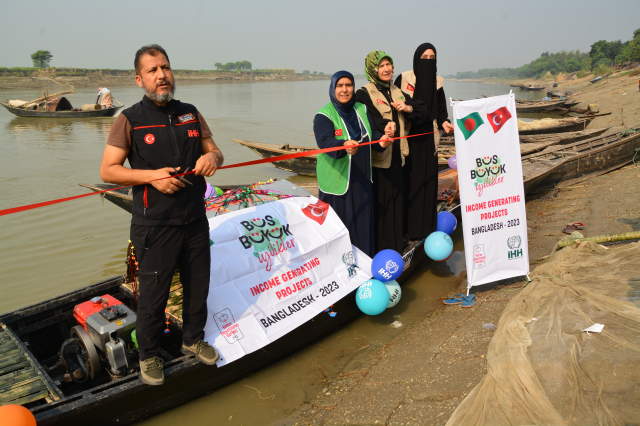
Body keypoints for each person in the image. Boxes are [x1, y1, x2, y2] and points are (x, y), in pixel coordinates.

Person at [100, 44, 224, 386]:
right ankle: (149, 355)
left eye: (165, 68)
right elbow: (109, 170)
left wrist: (213, 158)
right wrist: (151, 176)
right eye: (153, 70)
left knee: (198, 286)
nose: (161, 75)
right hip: (154, 225)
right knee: (154, 295)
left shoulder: (191, 113)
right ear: (140, 79)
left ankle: (192, 339)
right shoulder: (129, 120)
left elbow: (215, 150)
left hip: (195, 219)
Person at [314, 71, 391, 257]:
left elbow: (372, 134)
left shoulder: (362, 109)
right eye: (339, 86)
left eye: (348, 85)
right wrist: (343, 145)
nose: (344, 90)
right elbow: (325, 143)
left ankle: (365, 264)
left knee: (363, 225)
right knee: (339, 230)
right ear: (333, 88)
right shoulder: (323, 116)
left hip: (362, 179)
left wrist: (381, 141)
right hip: (338, 184)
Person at [356, 51, 426, 253]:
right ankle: (381, 246)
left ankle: (397, 242)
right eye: (381, 66)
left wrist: (407, 107)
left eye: (389, 65)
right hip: (380, 158)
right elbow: (370, 119)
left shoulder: (397, 90)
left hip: (400, 156)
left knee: (397, 199)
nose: (387, 69)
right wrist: (384, 127)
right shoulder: (364, 93)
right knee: (382, 202)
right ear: (372, 69)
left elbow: (421, 109)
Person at [395, 43, 453, 240]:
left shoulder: (438, 82)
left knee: (427, 181)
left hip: (429, 138)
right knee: (408, 181)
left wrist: (445, 122)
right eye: (424, 57)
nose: (428, 61)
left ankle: (425, 228)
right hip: (408, 136)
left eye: (432, 58)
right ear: (416, 58)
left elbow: (441, 111)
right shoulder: (404, 79)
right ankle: (406, 228)